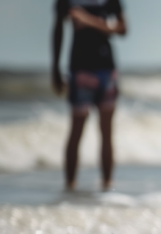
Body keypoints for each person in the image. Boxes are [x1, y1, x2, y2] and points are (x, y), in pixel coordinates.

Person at [51, 0, 127, 192]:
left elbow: (123, 29)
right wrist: (55, 68)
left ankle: (107, 187)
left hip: (107, 70)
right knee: (76, 132)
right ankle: (69, 187)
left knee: (107, 133)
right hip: (80, 70)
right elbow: (58, 29)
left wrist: (89, 20)